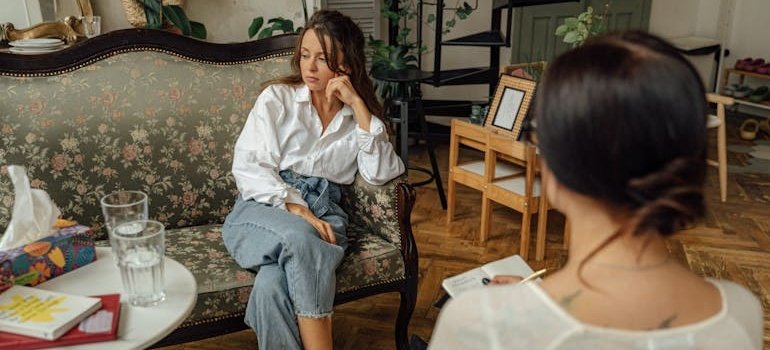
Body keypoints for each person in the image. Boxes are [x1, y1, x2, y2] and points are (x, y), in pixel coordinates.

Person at [429, 31, 763, 349]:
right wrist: (538, 298)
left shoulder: (478, 323)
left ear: (556, 163)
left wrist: (522, 308)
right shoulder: (741, 312)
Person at [221, 10, 404, 350]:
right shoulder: (277, 100)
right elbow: (249, 167)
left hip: (328, 212)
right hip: (263, 208)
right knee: (302, 239)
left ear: (345, 65)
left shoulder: (355, 120)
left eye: (322, 59)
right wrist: (299, 210)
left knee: (271, 287)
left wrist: (360, 108)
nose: (309, 67)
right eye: (305, 55)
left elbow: (382, 172)